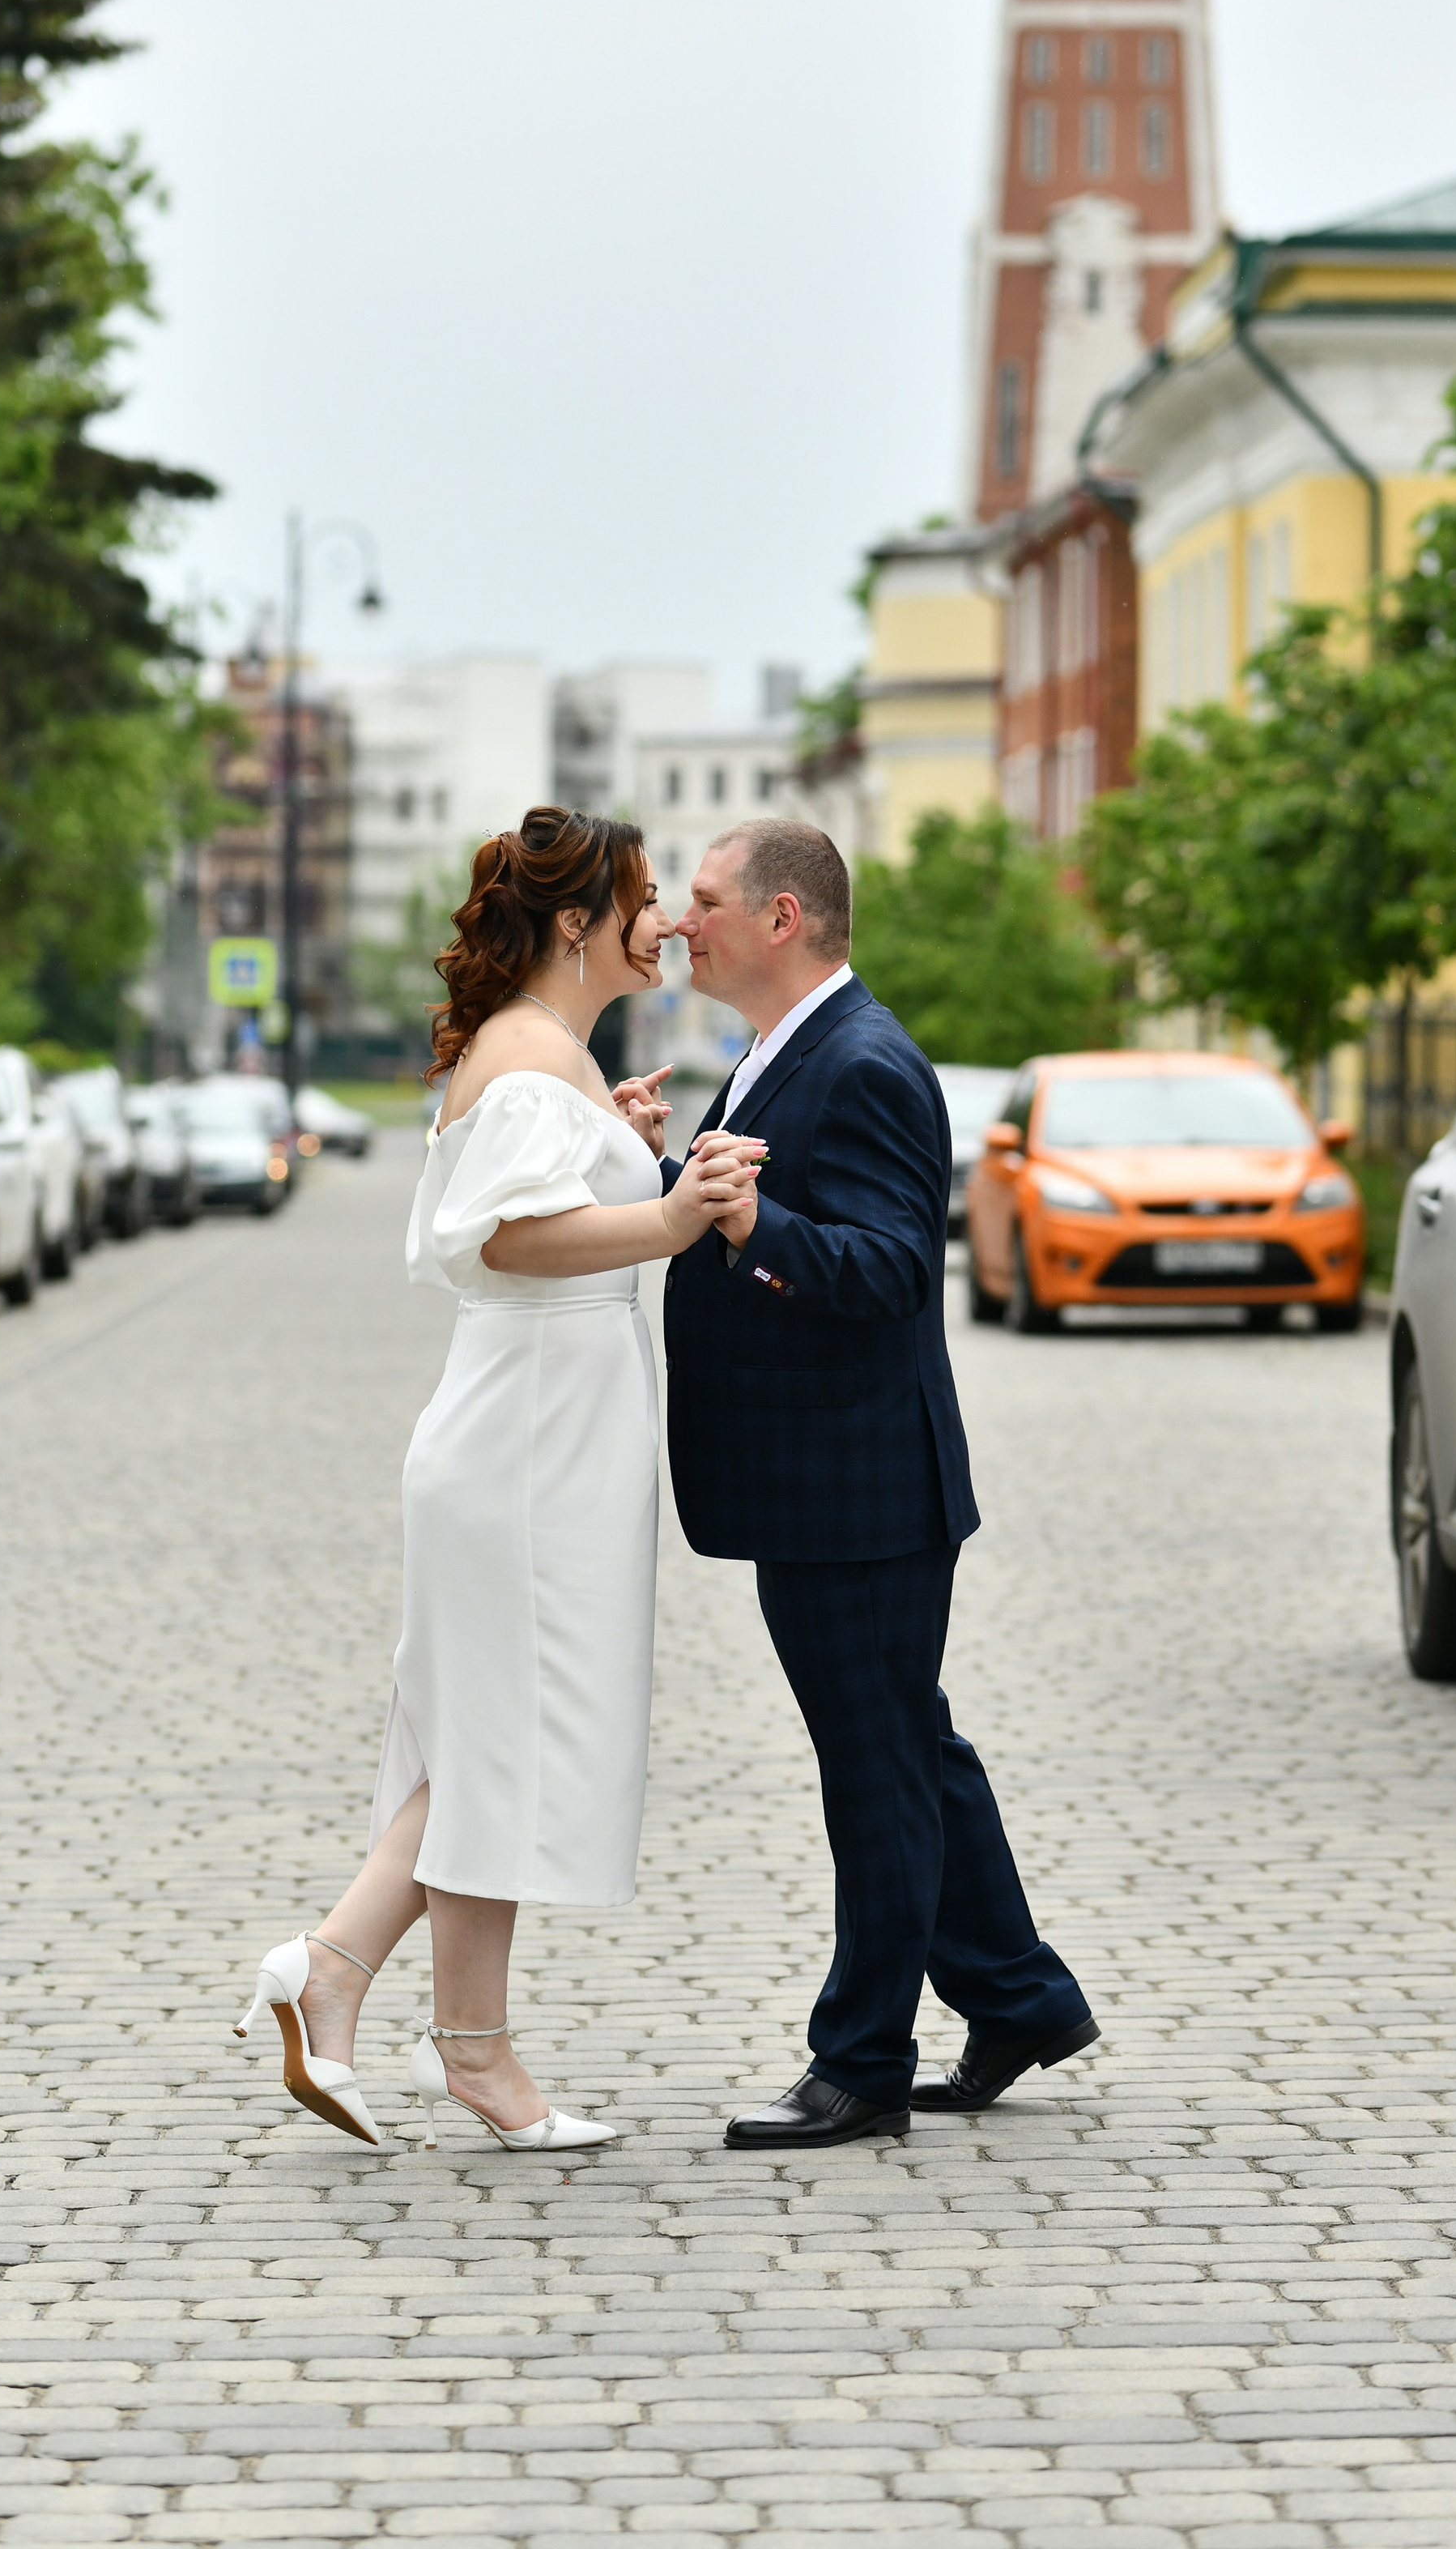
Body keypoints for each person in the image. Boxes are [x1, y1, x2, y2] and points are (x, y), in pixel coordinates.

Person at [233, 808, 761, 2154]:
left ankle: (422, 2019)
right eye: (647, 896)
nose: (666, 922)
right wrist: (669, 1214)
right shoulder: (530, 1058)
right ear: (579, 921)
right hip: (533, 1437)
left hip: (538, 1425)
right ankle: (374, 1990)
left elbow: (528, 1199)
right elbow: (511, 1242)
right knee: (503, 1741)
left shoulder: (540, 1053)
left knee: (490, 1739)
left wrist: (615, 1139)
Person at [666, 819, 1096, 2149]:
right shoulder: (778, 1050)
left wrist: (756, 1224)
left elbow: (898, 1267)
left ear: (782, 918)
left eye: (706, 900)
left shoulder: (865, 1062)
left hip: (859, 1489)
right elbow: (750, 1205)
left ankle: (860, 2062)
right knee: (907, 1748)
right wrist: (666, 1174)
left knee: (878, 1772)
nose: (683, 922)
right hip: (815, 1480)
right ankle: (1020, 1999)